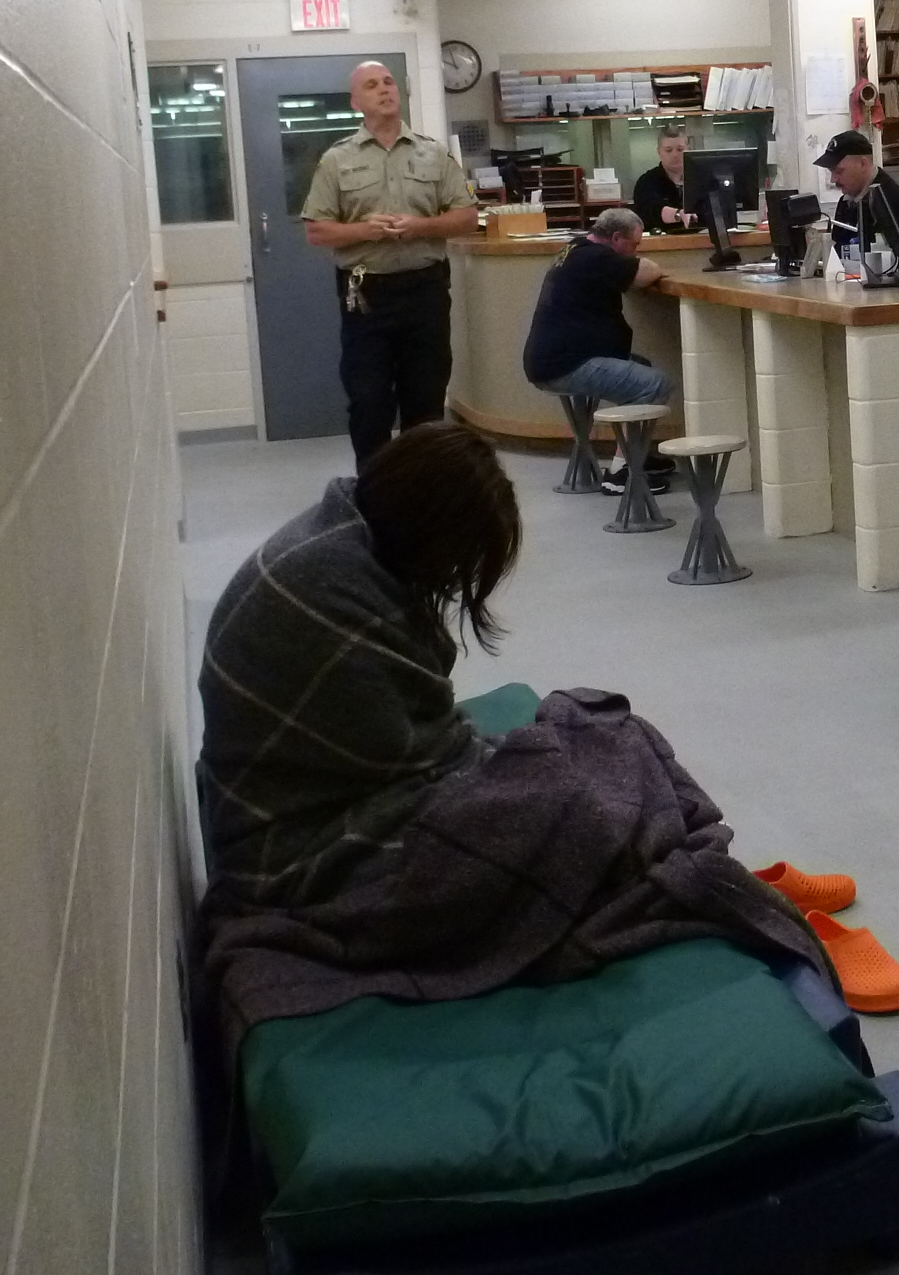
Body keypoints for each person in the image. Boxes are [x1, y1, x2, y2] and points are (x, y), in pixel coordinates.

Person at [195, 421, 829, 1047]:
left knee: (607, 734)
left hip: (332, 804)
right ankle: (699, 871)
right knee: (578, 795)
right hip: (307, 856)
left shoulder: (345, 542)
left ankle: (707, 865)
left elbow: (424, 744)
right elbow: (426, 767)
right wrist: (531, 768)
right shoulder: (333, 592)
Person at [300, 60, 479, 468]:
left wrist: (420, 226)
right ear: (356, 102)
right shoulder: (337, 160)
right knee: (369, 402)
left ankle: (420, 490)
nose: (384, 89)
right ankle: (375, 488)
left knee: (426, 401)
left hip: (425, 291)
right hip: (366, 296)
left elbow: (467, 217)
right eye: (371, 85)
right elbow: (317, 231)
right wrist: (366, 231)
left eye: (388, 82)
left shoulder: (433, 153)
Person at [523, 206, 672, 410]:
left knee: (641, 366)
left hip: (552, 360)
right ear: (617, 238)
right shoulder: (597, 257)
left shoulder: (575, 248)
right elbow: (647, 271)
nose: (635, 251)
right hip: (567, 364)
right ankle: (625, 433)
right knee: (656, 384)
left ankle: (613, 431)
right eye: (634, 244)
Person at [815, 129, 899, 263]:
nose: (833, 180)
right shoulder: (846, 202)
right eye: (831, 172)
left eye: (839, 171)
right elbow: (838, 253)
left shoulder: (889, 200)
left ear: (863, 164)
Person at [631, 127, 700, 231]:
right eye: (668, 150)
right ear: (659, 152)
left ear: (688, 149)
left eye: (680, 149)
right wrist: (678, 214)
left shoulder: (702, 178)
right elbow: (649, 210)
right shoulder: (646, 181)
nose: (675, 155)